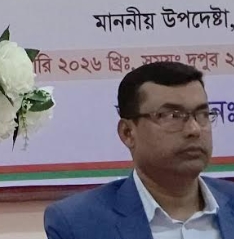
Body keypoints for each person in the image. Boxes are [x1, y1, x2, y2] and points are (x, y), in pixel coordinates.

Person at [44, 61, 234, 239]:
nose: (194, 129)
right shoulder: (78, 223)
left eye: (202, 114)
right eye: (172, 116)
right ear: (127, 133)